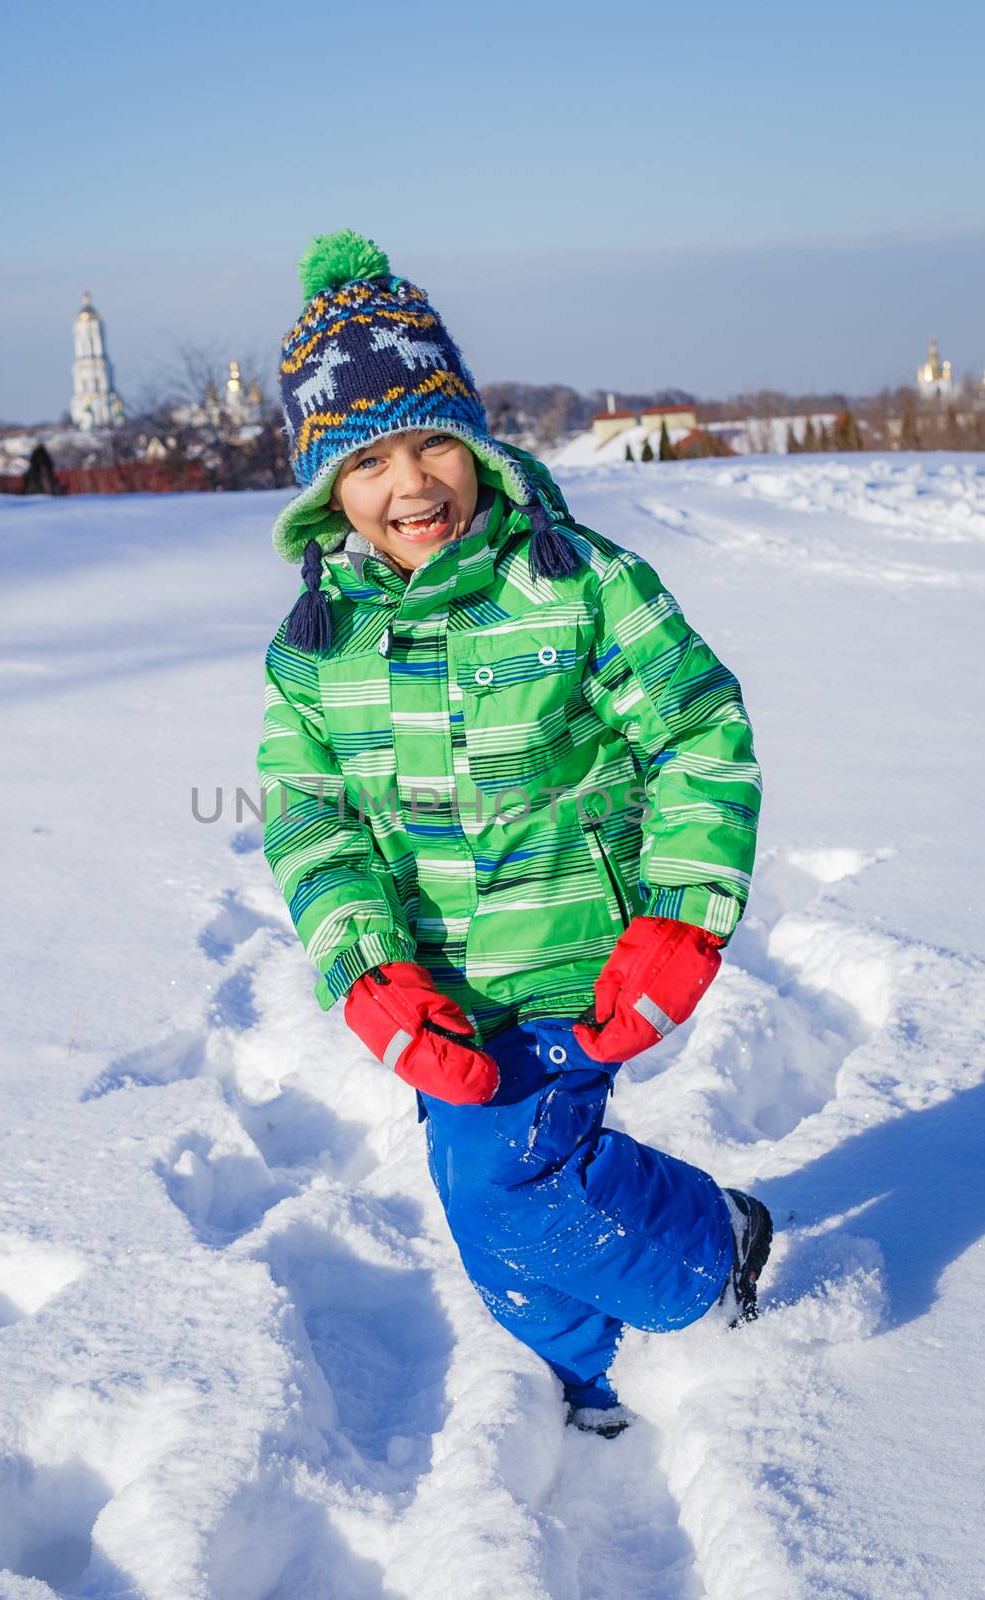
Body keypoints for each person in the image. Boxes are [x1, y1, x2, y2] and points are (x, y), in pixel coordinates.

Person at [256, 231, 771, 1436]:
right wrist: (368, 970)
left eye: (435, 438)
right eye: (368, 456)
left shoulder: (577, 582)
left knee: (507, 1178)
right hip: (436, 985)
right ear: (325, 486)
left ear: (480, 442)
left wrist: (678, 918)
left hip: (576, 960)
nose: (413, 481)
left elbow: (697, 736)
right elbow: (307, 815)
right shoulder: (315, 647)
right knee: (471, 1193)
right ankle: (594, 1367)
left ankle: (715, 1249)